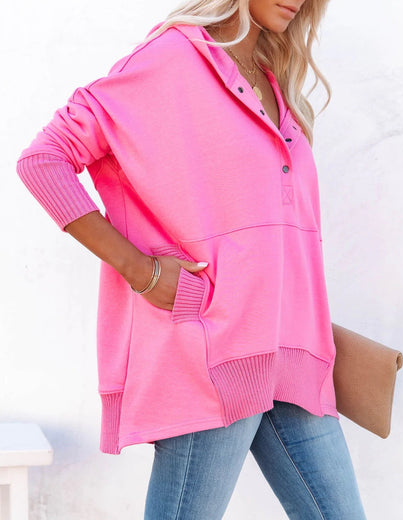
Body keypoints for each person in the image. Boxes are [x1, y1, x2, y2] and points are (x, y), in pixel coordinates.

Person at [16, 0, 368, 518]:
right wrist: (142, 271)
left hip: (288, 352)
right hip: (211, 351)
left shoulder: (269, 73)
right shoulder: (171, 59)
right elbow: (43, 161)